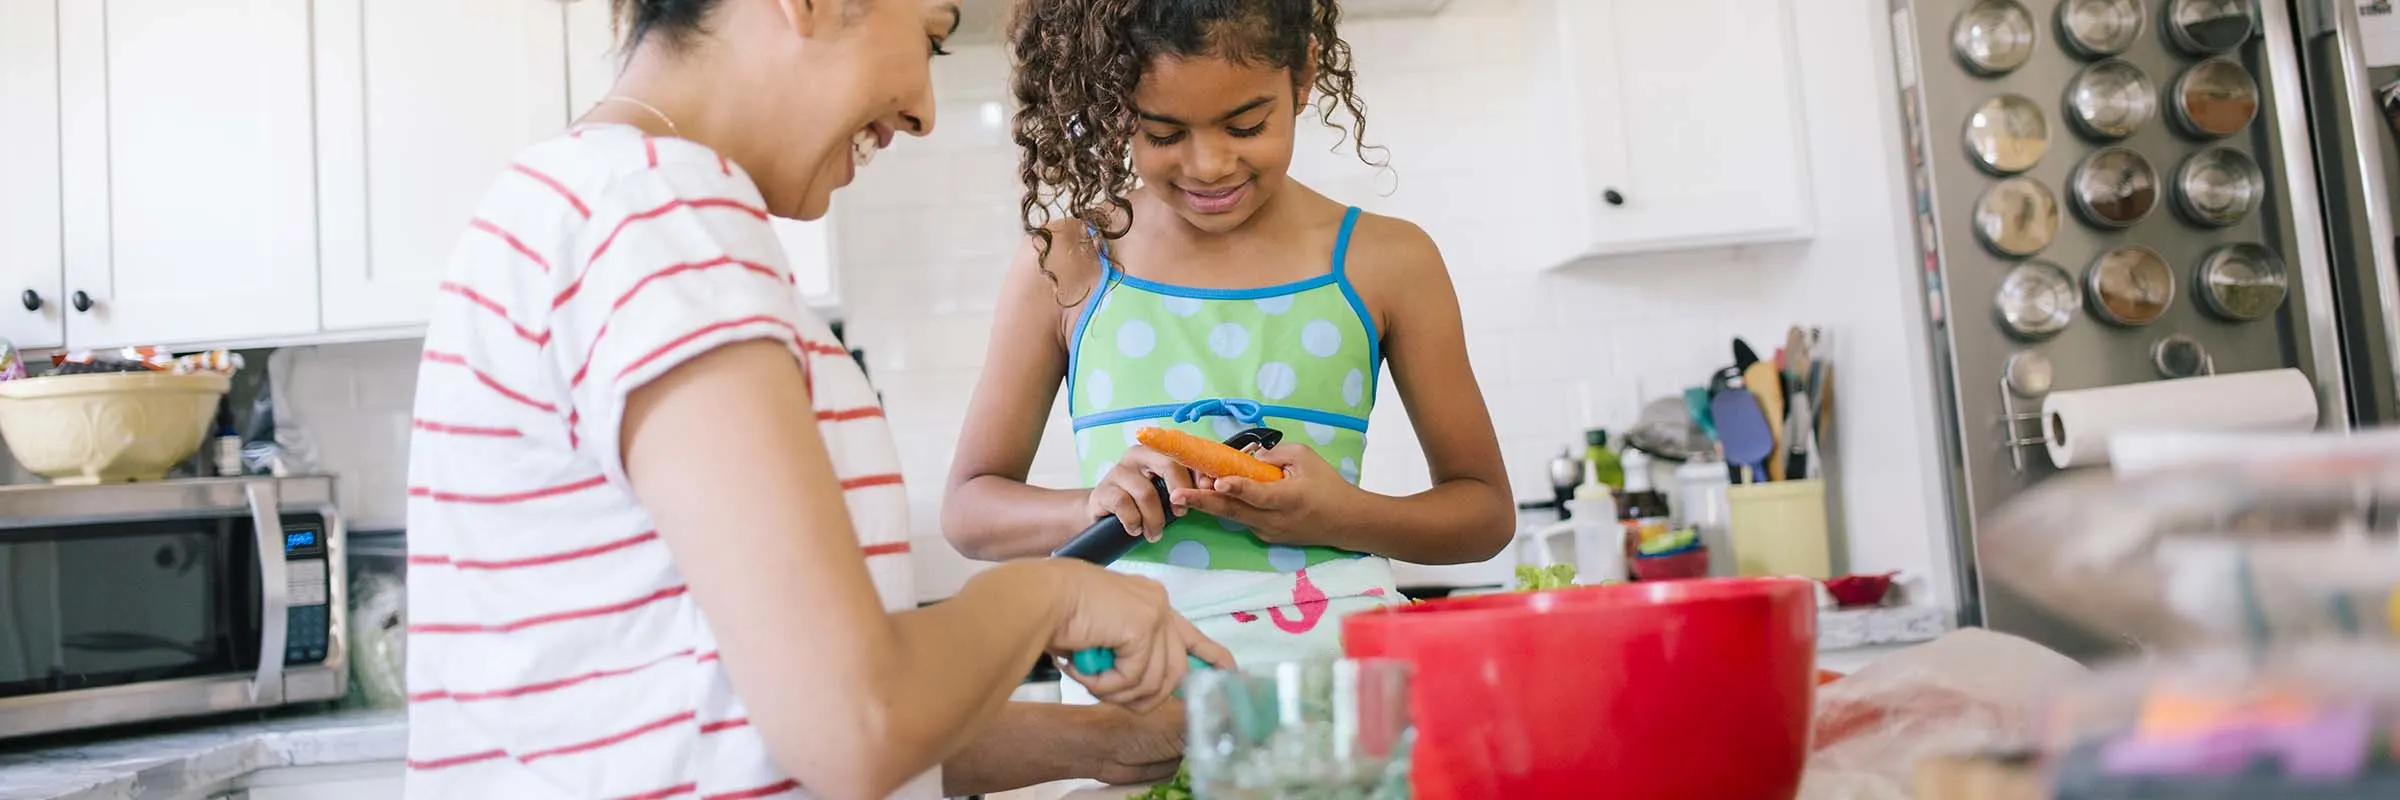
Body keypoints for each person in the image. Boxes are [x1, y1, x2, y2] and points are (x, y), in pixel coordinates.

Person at [402, 1, 1229, 798]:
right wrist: (1051, 597)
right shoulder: (660, 219)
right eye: (932, 37)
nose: (924, 113)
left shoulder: (586, 201)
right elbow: (855, 724)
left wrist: (1118, 743)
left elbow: (768, 719)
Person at [944, 0, 1516, 673]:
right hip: (1130, 698)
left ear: (1302, 75)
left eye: (1246, 125)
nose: (1210, 164)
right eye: (1162, 134)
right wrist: (1093, 504)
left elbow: (1484, 514)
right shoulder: (1068, 262)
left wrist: (1342, 515)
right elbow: (969, 509)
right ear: (1111, 104)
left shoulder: (1389, 261)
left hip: (1336, 693)